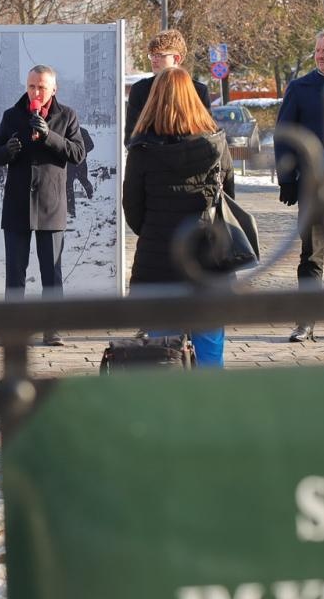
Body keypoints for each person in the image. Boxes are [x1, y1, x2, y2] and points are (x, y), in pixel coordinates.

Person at [123, 67, 234, 366]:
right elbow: (229, 200)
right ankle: (212, 408)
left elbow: (133, 209)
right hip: (208, 256)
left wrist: (154, 229)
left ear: (153, 100)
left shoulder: (142, 150)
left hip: (159, 260)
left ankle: (168, 410)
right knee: (210, 346)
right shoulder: (217, 143)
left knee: (162, 351)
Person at [0, 65, 88, 346]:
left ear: (53, 89)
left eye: (42, 87)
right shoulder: (12, 115)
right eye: (31, 86)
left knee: (51, 272)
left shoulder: (67, 116)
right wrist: (7, 151)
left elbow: (78, 153)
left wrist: (49, 137)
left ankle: (52, 328)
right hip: (18, 204)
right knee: (15, 272)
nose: (36, 92)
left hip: (50, 204)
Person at [275, 26, 324, 341]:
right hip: (313, 185)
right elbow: (284, 134)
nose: (320, 56)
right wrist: (286, 179)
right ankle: (306, 321)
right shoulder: (301, 87)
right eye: (317, 51)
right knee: (312, 255)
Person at [124, 29, 211, 141]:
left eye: (159, 55)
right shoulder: (140, 89)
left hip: (188, 156)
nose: (154, 60)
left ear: (176, 58)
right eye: (152, 55)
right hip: (152, 156)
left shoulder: (198, 90)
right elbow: (131, 137)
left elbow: (206, 134)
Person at [66, 123, 97, 219]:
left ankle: (91, 197)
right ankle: (71, 211)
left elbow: (91, 145)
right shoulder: (66, 132)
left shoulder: (82, 131)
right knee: (68, 185)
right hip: (70, 163)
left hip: (80, 162)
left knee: (83, 180)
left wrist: (81, 152)